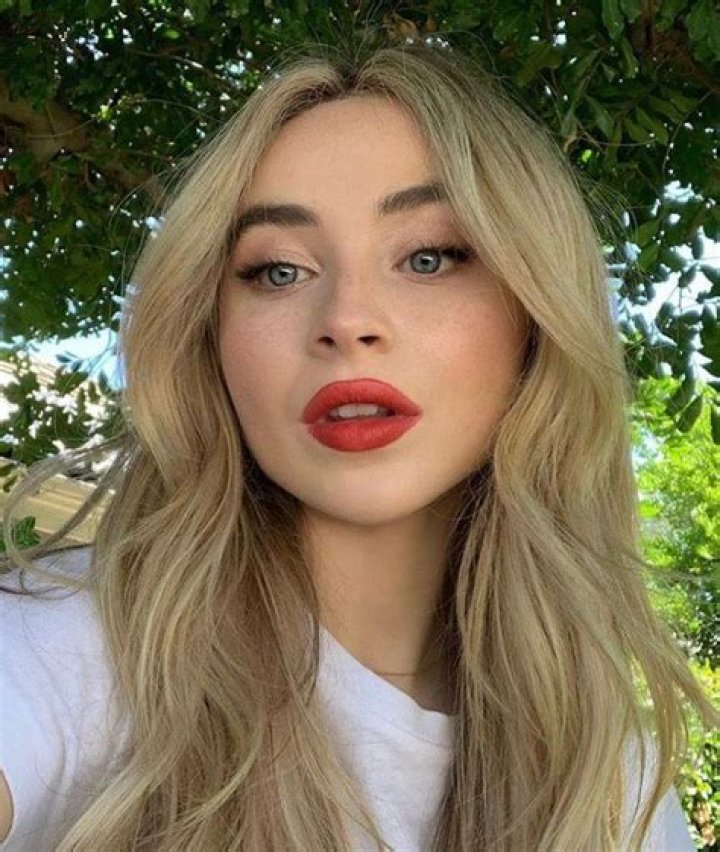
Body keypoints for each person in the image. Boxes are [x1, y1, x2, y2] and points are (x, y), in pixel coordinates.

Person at [0, 38, 717, 852]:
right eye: (278, 271)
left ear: (535, 318)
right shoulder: (71, 652)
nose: (346, 319)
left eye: (428, 257)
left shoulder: (614, 777)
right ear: (211, 340)